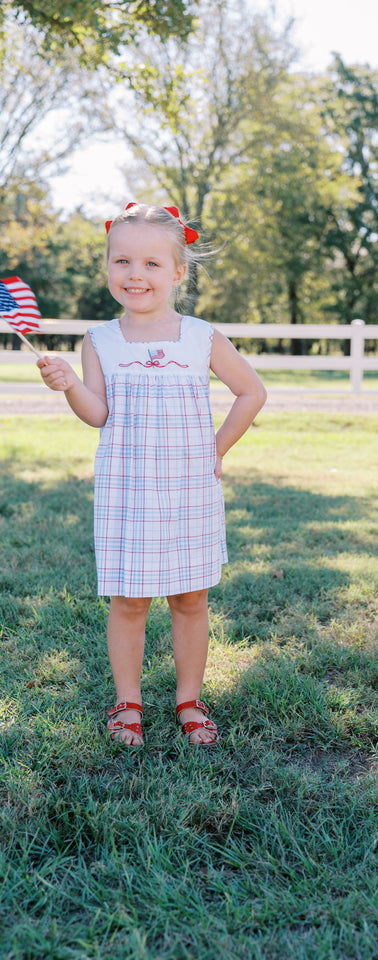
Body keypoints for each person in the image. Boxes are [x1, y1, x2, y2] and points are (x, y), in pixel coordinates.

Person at [38, 202, 267, 747]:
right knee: (129, 600)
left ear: (178, 273)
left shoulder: (200, 336)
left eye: (150, 264)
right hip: (128, 492)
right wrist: (70, 383)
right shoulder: (99, 340)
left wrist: (217, 449)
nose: (135, 274)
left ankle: (189, 699)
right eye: (122, 261)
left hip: (189, 490)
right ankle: (128, 703)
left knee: (190, 598)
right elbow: (99, 413)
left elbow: (252, 392)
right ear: (108, 266)